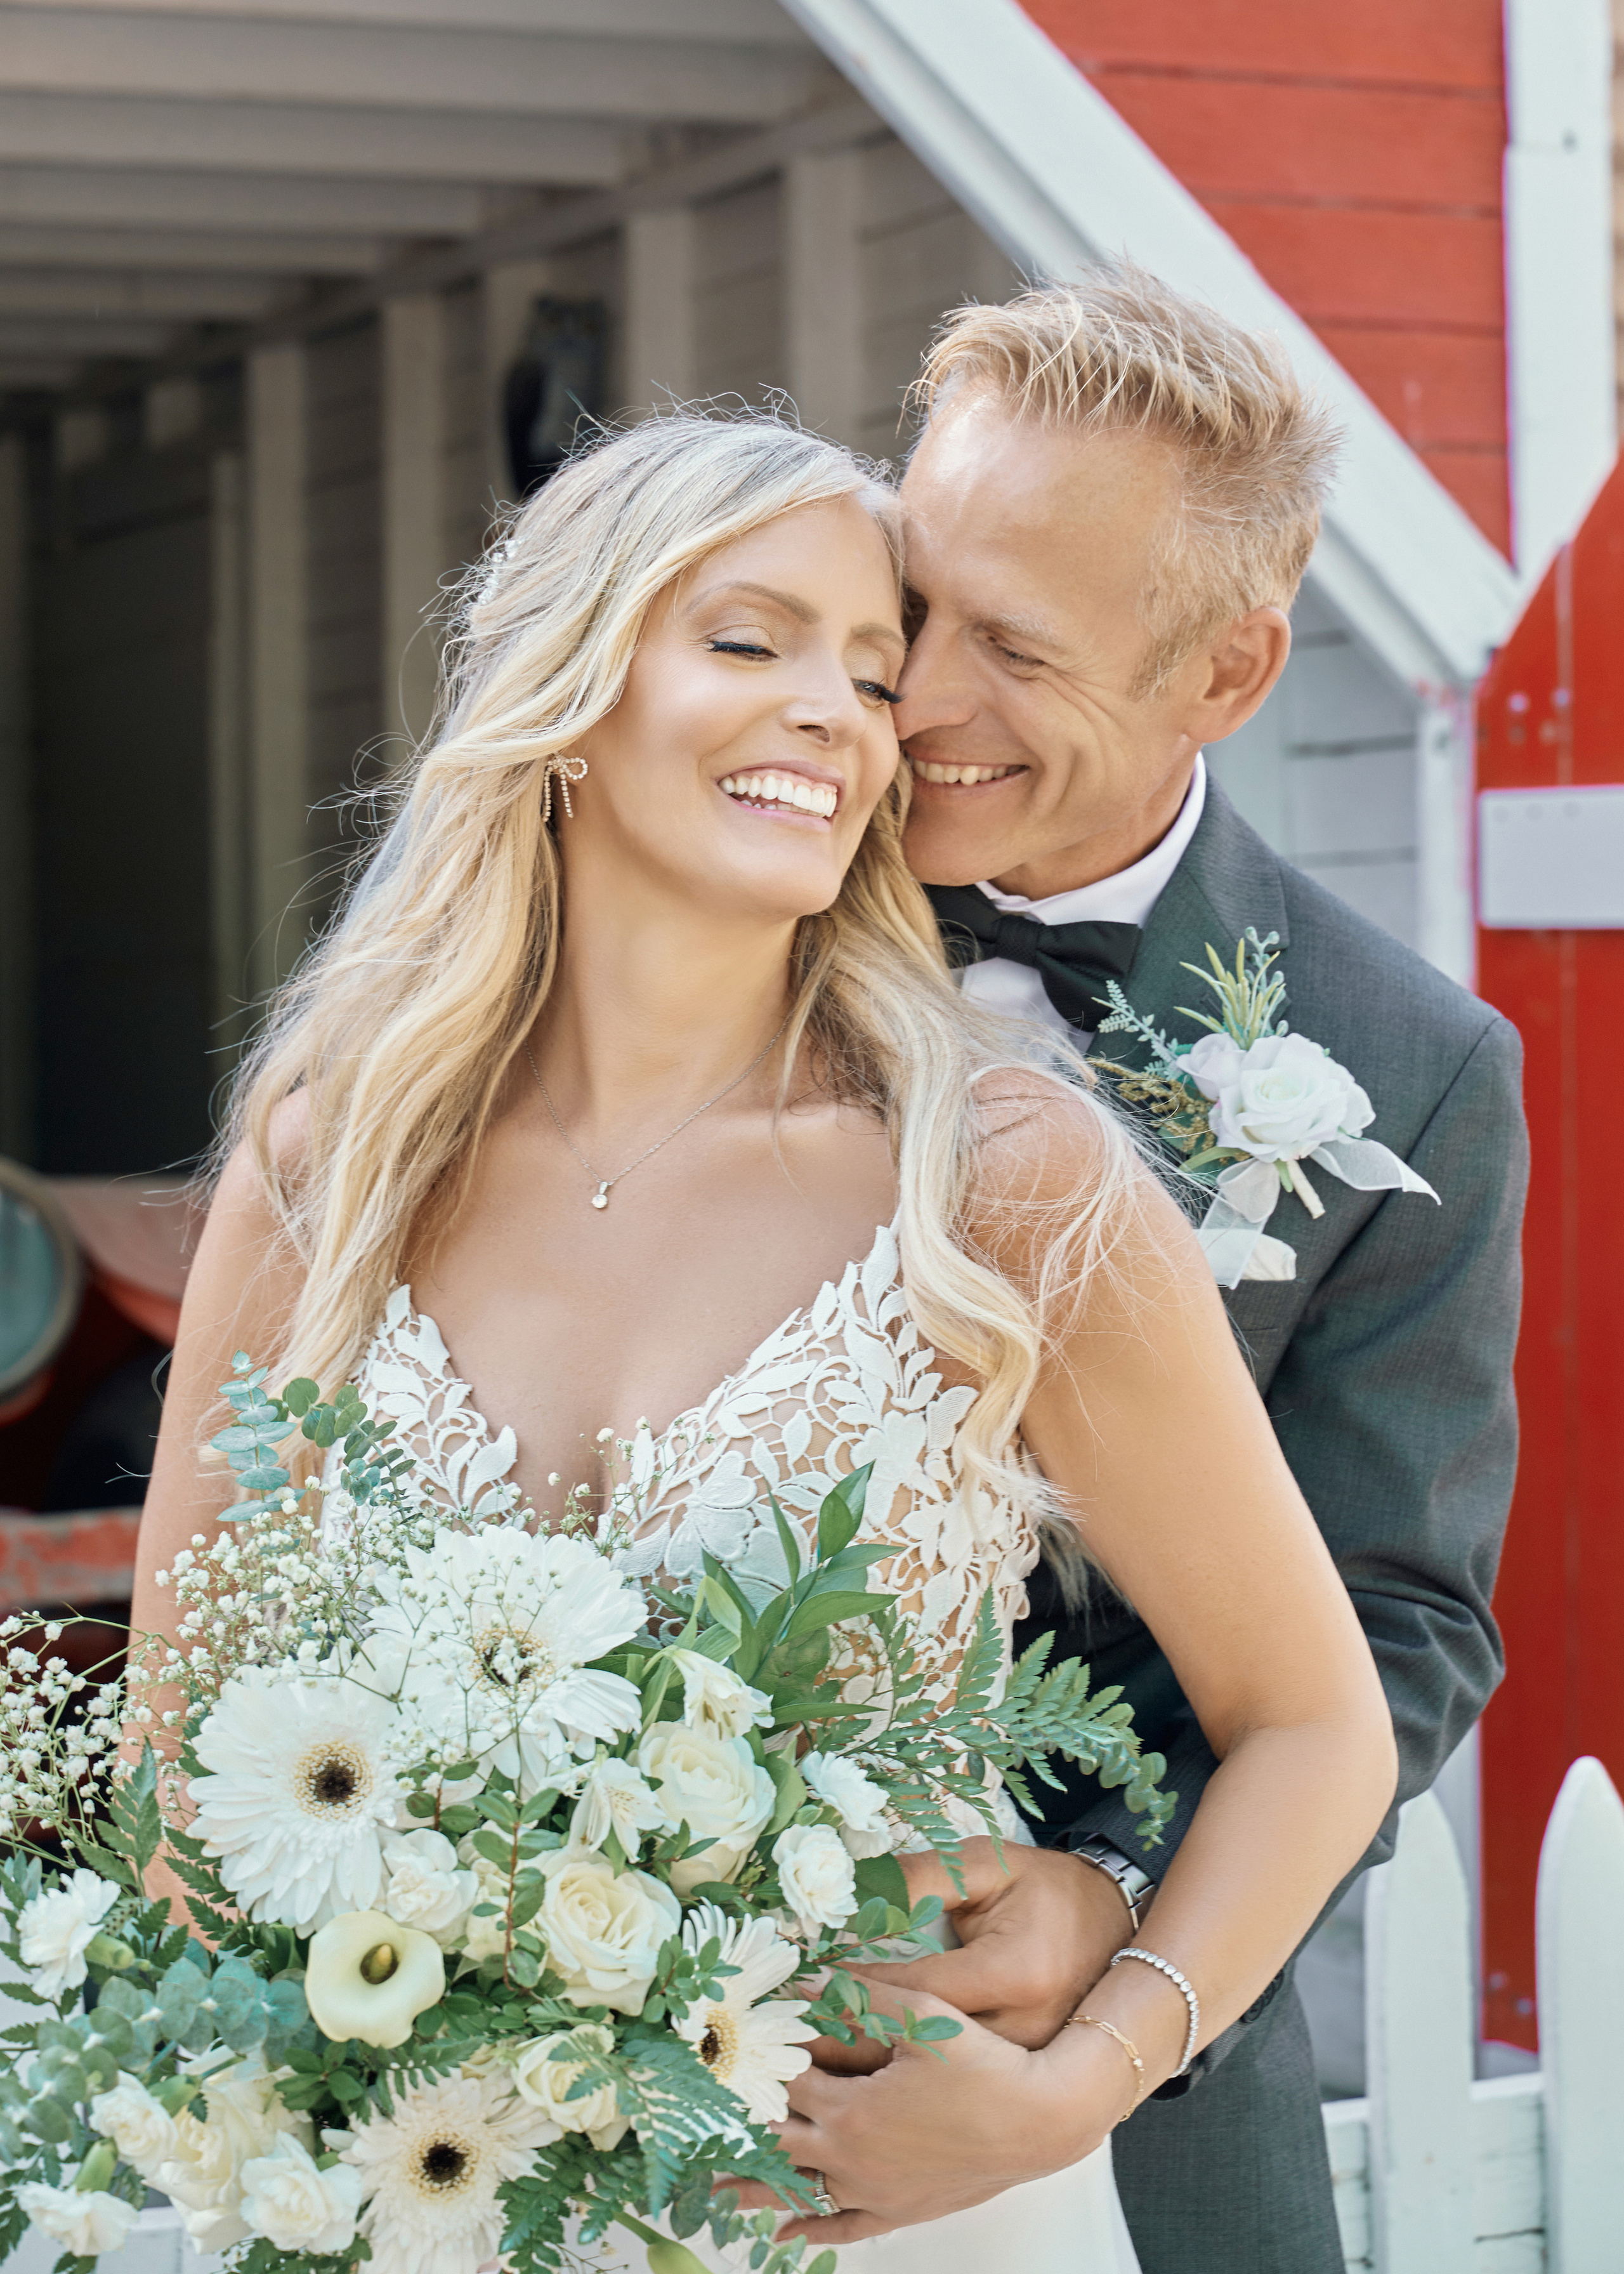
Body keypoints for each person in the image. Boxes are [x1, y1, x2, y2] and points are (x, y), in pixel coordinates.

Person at [132, 411, 1397, 2271]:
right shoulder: (339, 1155)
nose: (839, 709)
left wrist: (1087, 2077)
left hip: (883, 2208)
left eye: (871, 676)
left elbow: (1316, 1725)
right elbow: (186, 1737)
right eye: (750, 641)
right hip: (424, 2194)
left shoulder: (997, 1180)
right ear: (568, 689)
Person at [772, 271, 1528, 2271]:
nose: (914, 699)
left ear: (1228, 670)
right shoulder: (712, 901)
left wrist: (1113, 1891)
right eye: (910, 599)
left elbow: (1392, 1621)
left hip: (1134, 2118)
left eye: (1016, 647)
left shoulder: (1412, 1073)